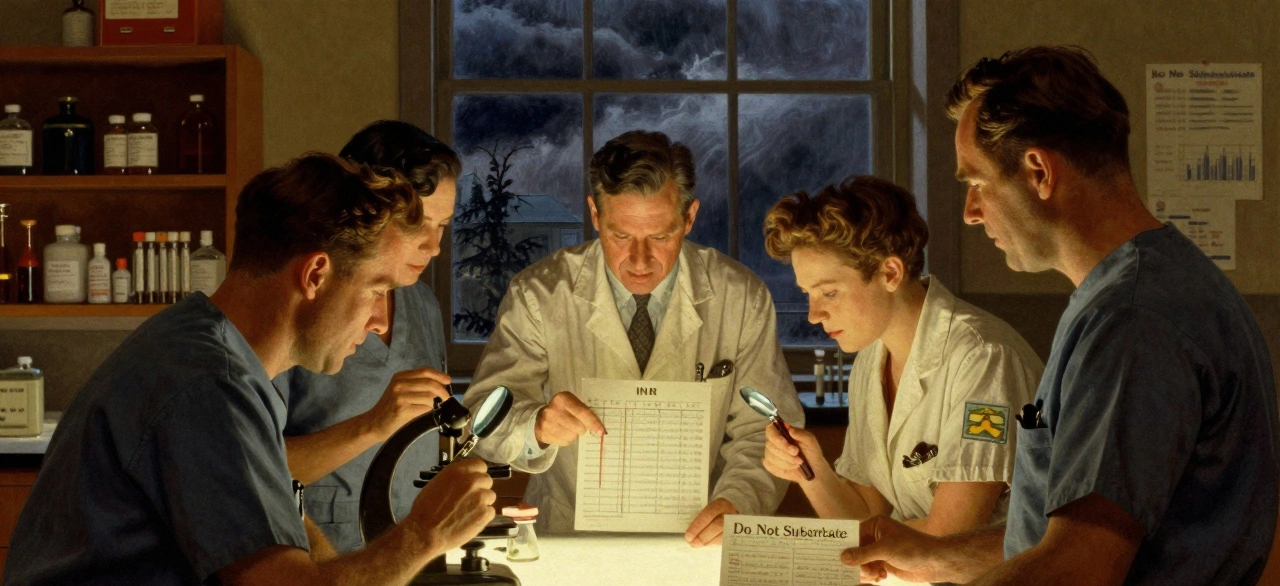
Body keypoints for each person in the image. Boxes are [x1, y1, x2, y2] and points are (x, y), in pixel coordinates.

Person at [810, 46, 1278, 586]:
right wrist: (934, 554)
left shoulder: (1133, 321)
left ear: (1037, 172)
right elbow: (1073, 536)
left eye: (975, 183)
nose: (970, 213)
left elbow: (1077, 578)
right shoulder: (1144, 289)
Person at [0, 153, 497, 586]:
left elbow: (280, 518)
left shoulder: (216, 351)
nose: (382, 321)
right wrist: (425, 533)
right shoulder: (209, 386)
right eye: (377, 289)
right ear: (315, 275)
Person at [464, 130, 802, 545]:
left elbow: (764, 430)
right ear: (594, 214)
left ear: (690, 217)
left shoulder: (740, 296)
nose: (640, 262)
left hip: (699, 536)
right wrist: (535, 426)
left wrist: (738, 501)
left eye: (660, 237)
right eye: (620, 236)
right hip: (571, 538)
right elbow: (481, 422)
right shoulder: (539, 294)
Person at [760, 175, 1042, 535]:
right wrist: (810, 469)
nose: (814, 315)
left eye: (828, 293)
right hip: (923, 578)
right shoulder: (871, 360)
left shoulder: (984, 360)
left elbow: (950, 536)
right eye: (807, 294)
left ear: (889, 272)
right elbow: (862, 519)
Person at [274, 121, 461, 552]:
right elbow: (252, 468)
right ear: (366, 211)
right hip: (321, 553)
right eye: (419, 225)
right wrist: (370, 425)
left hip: (411, 547)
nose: (434, 247)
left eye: (444, 226)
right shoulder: (303, 303)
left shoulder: (423, 305)